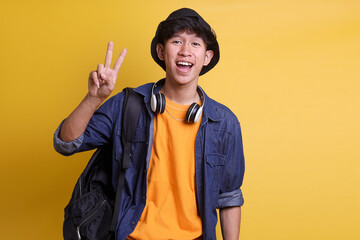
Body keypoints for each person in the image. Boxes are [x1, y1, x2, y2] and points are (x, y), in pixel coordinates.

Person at [54, 8, 245, 240]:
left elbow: (229, 197)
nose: (185, 51)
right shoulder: (127, 106)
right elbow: (66, 143)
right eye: (177, 41)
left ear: (207, 57)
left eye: (195, 44)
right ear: (161, 51)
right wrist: (94, 98)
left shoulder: (225, 123)